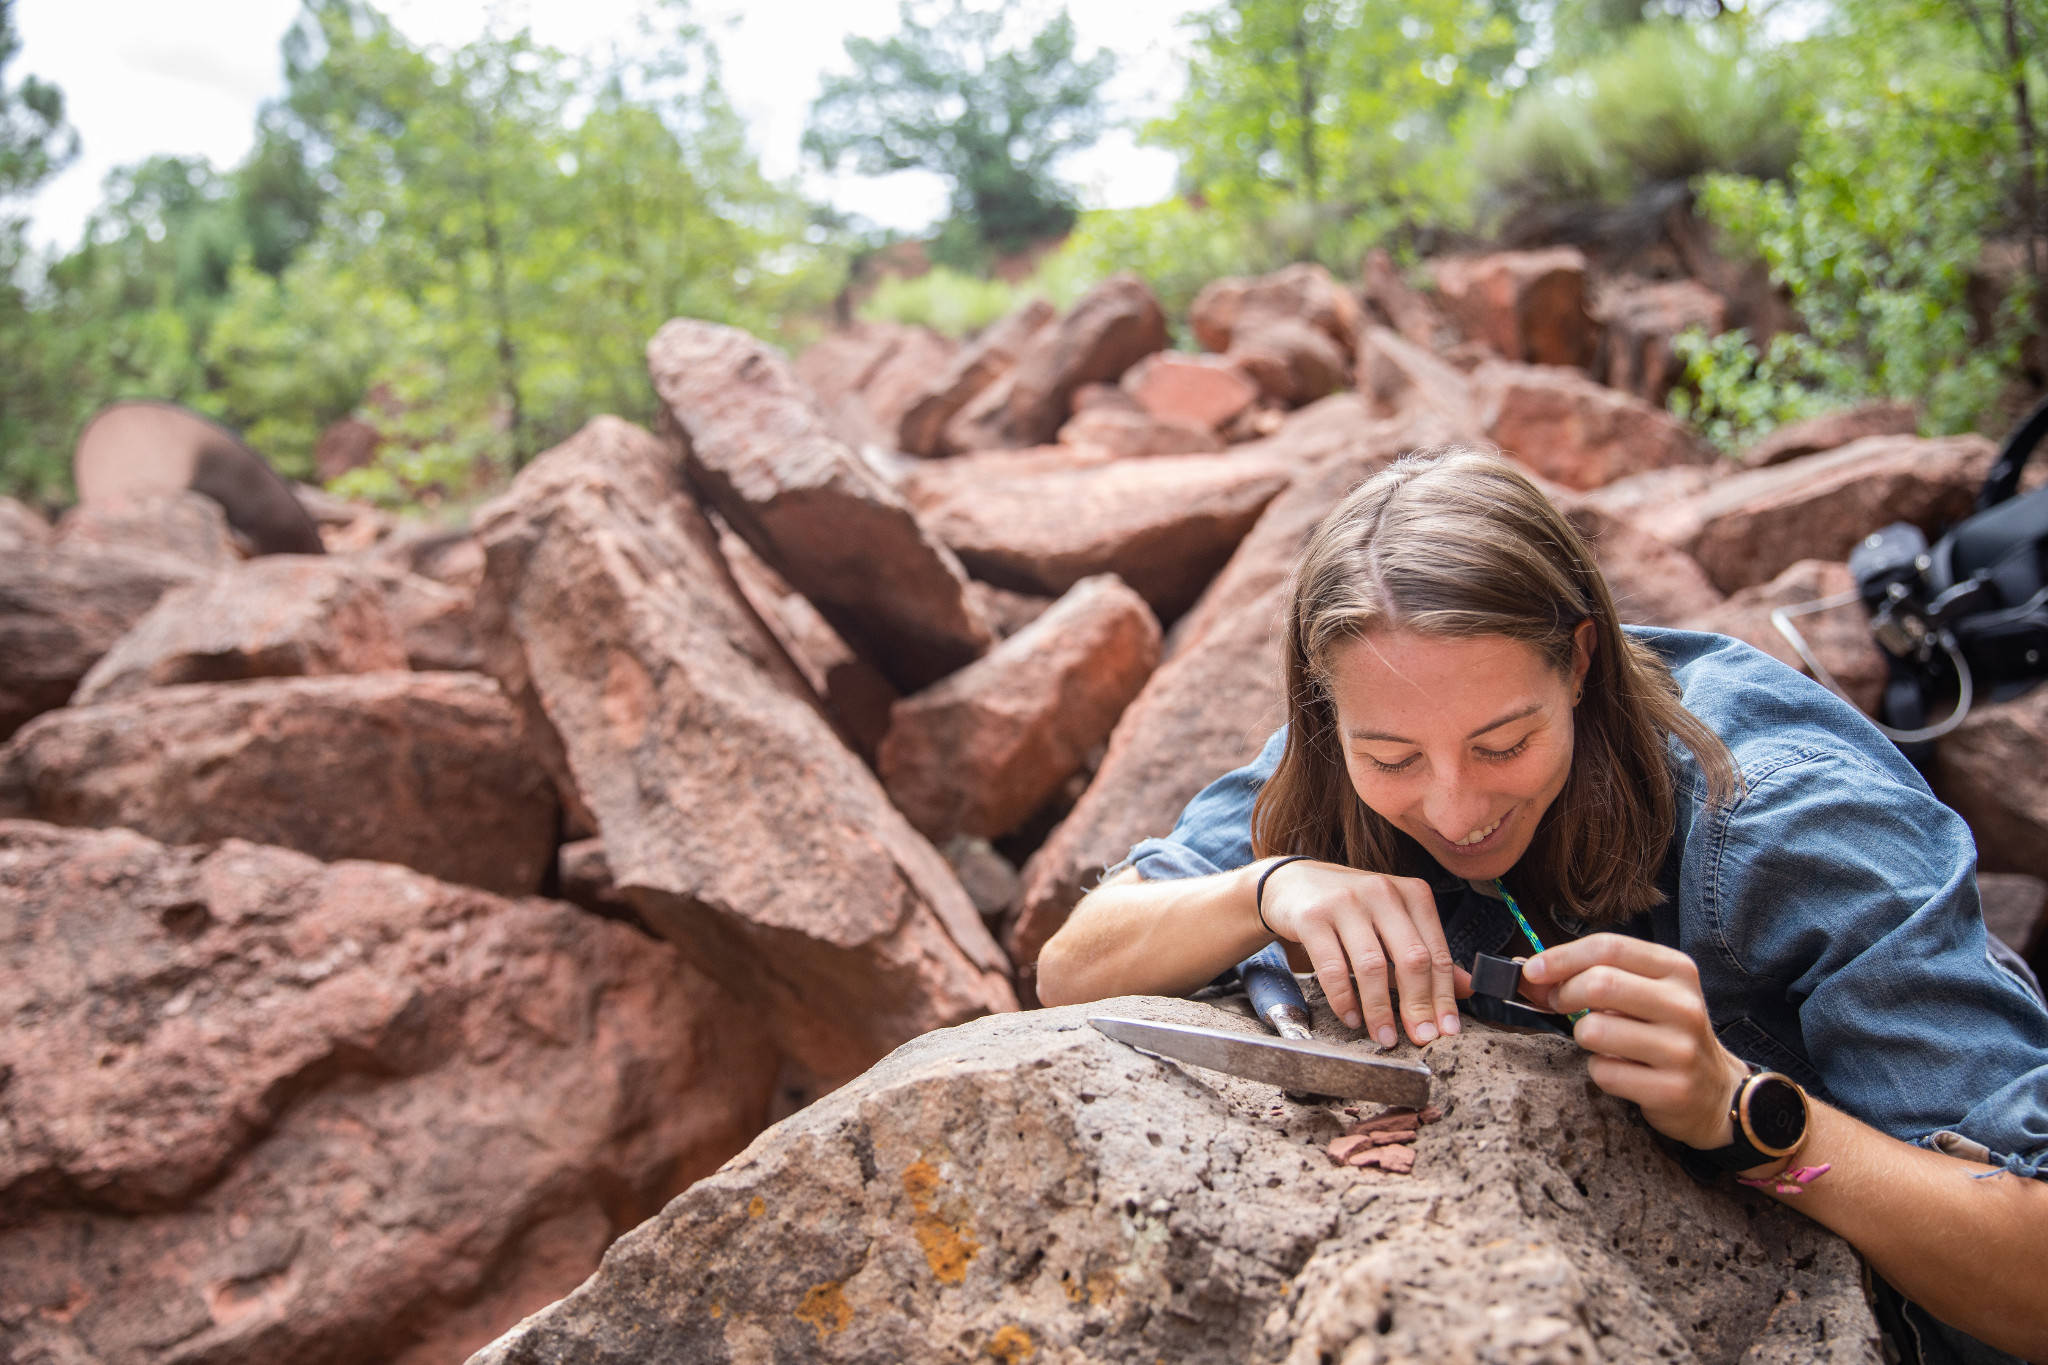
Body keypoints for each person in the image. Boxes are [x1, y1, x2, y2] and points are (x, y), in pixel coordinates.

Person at [1036, 449, 2048, 1364]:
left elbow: (2031, 1278)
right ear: (1324, 706)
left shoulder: (1789, 814)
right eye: (1391, 757)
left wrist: (1740, 1116)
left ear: (1577, 661)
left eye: (1501, 745)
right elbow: (1071, 967)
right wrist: (1265, 889)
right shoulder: (1355, 744)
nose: (1452, 807)